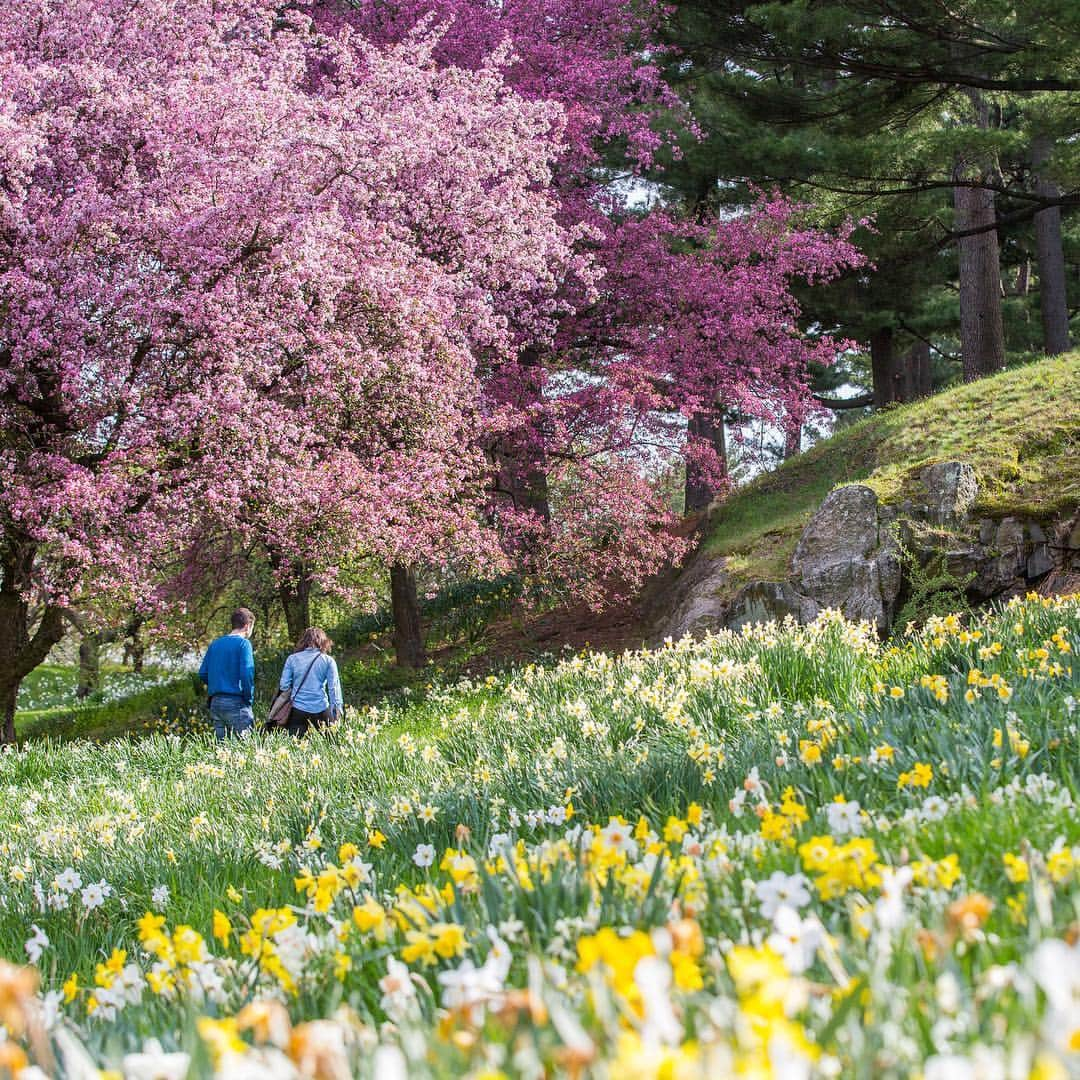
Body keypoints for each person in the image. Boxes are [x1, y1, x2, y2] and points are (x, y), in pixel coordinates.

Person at [198, 608, 256, 739]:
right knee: (245, 748)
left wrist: (217, 683)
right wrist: (248, 698)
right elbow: (247, 673)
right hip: (236, 701)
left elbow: (202, 673)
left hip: (216, 702)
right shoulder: (243, 644)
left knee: (222, 749)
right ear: (247, 626)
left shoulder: (215, 644)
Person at [278, 626, 343, 736]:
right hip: (321, 708)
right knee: (331, 745)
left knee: (295, 747)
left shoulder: (292, 659)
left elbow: (284, 685)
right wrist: (337, 711)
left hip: (298, 709)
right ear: (323, 641)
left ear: (303, 641)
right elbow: (334, 689)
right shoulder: (328, 660)